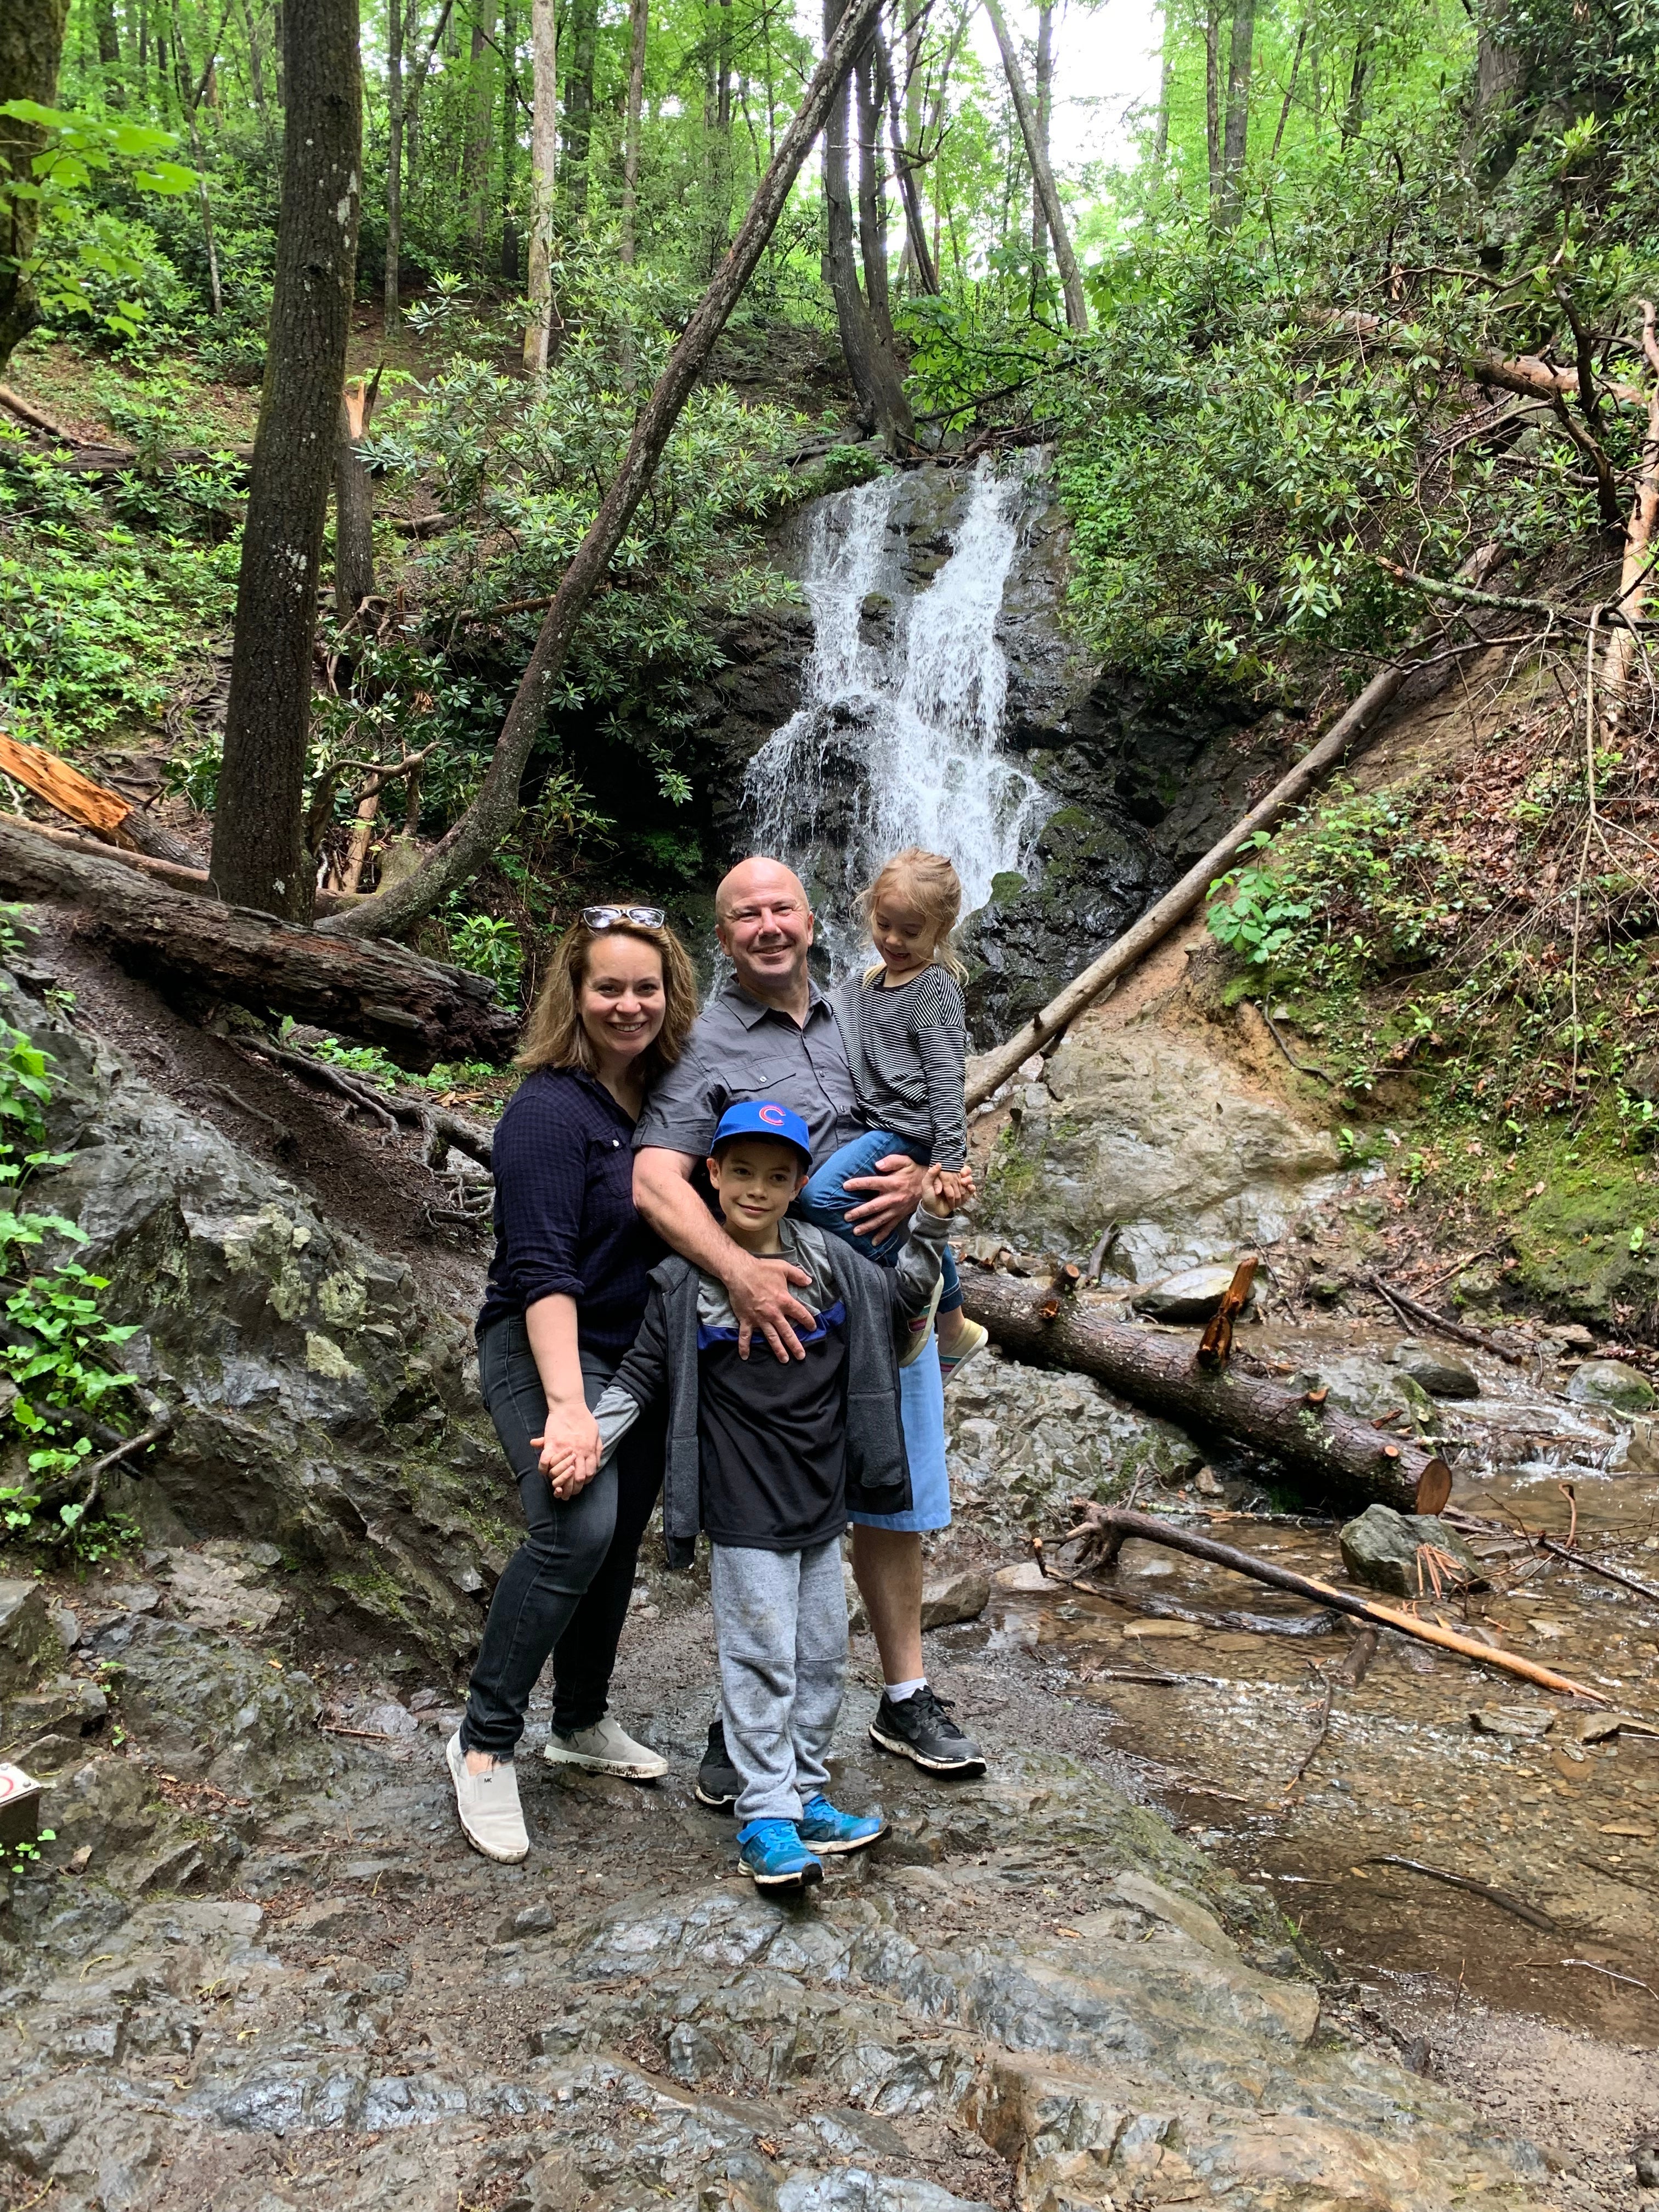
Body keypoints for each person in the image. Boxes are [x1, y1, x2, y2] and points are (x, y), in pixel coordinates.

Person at [633, 857, 986, 1801]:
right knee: (774, 1511)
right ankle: (746, 1721)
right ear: (723, 937)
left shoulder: (864, 1005)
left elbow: (931, 1113)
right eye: (744, 914)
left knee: (893, 1484)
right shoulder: (704, 1044)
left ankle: (904, 1693)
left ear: (811, 918)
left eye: (780, 907)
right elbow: (655, 1178)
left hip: (879, 1284)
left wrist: (923, 1179)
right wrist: (738, 1271)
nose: (766, 926)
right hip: (778, 1302)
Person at [555, 1101, 953, 1889]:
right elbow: (640, 1376)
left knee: (821, 1658)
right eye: (742, 1172)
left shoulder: (832, 1262)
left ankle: (804, 1794)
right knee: (761, 1659)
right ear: (713, 1174)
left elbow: (907, 1295)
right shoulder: (682, 1282)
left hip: (819, 1501)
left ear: (802, 1182)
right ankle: (764, 1817)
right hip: (742, 1511)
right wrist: (587, 1438)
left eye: (777, 1176)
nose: (757, 1190)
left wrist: (933, 1223)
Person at [447, 904, 699, 1865]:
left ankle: (581, 1721)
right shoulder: (548, 1112)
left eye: (646, 986)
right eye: (608, 987)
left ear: (670, 993)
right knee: (576, 1523)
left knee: (617, 1534)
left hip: (637, 1357)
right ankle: (481, 1742)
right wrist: (566, 1409)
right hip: (544, 1345)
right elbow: (540, 1269)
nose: (628, 1004)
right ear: (576, 995)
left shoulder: (671, 1101)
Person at [797, 847, 989, 1383]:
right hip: (883, 1129)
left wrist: (947, 1165)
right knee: (890, 1212)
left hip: (911, 1134)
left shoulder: (934, 988)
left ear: (941, 928)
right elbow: (822, 1007)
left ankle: (913, 1297)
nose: (895, 941)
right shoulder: (866, 985)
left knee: (818, 1198)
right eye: (885, 925)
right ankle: (953, 1324)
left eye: (911, 931)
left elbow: (949, 1080)